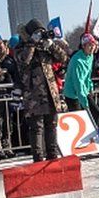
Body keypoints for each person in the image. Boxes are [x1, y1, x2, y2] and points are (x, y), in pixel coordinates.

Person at [17, 19, 68, 162]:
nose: (39, 35)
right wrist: (31, 43)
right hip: (33, 95)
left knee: (52, 124)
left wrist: (51, 46)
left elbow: (63, 58)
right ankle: (38, 157)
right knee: (37, 127)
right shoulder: (22, 47)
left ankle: (53, 155)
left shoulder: (44, 47)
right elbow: (24, 60)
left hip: (50, 92)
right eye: (36, 32)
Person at [63, 33, 98, 115]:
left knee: (96, 112)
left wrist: (90, 87)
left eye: (93, 45)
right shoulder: (77, 61)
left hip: (84, 90)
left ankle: (94, 127)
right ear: (83, 46)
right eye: (89, 45)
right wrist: (84, 103)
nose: (92, 47)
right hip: (72, 93)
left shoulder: (90, 56)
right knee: (80, 117)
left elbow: (88, 75)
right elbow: (78, 82)